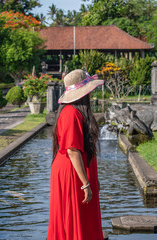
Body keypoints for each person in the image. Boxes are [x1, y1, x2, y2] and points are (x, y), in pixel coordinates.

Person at [47, 69, 104, 240]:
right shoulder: (71, 113)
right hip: (72, 172)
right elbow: (72, 150)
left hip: (77, 170)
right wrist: (86, 183)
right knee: (74, 218)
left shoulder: (77, 112)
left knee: (84, 218)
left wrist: (92, 179)